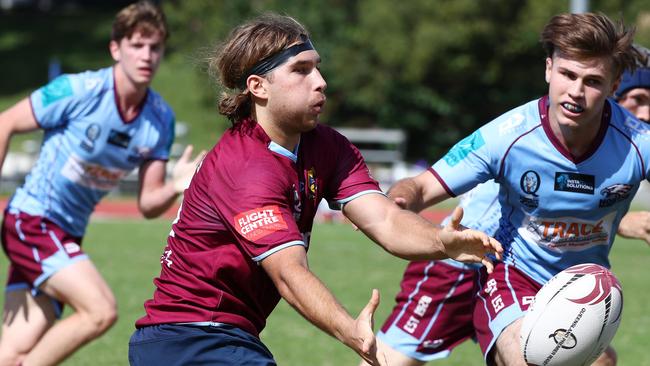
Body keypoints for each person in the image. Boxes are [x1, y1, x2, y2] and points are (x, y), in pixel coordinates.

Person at [127, 13, 503, 366]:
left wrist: (441, 242)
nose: (320, 81)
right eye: (301, 70)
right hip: (187, 338)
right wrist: (349, 330)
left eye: (317, 67)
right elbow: (290, 274)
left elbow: (385, 219)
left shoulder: (326, 146)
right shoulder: (245, 166)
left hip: (229, 337)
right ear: (258, 87)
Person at [368, 12, 645, 366]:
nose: (576, 91)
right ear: (548, 69)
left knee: (601, 362)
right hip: (511, 274)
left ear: (614, 84)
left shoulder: (638, 143)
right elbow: (420, 187)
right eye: (567, 75)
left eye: (592, 81)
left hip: (577, 289)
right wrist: (399, 203)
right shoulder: (507, 136)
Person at [0, 1, 204, 365]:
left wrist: (175, 186)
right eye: (137, 45)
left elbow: (147, 204)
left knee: (12, 351)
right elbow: (5, 123)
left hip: (66, 235)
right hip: (32, 222)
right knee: (100, 310)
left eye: (155, 47)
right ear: (116, 48)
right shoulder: (78, 90)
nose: (146, 55)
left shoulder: (160, 119)